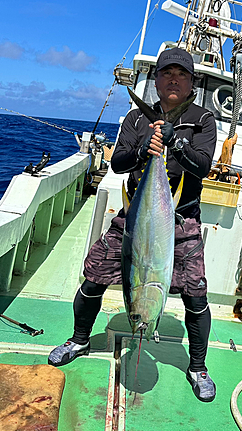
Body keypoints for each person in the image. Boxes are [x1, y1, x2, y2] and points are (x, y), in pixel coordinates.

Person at [48, 47, 217, 403]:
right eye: (167, 73)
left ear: (191, 85)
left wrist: (175, 143)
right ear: (156, 80)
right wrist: (144, 150)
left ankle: (198, 367)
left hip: (181, 217)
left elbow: (201, 166)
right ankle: (78, 339)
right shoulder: (136, 119)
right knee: (94, 274)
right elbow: (118, 164)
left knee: (196, 293)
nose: (173, 79)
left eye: (181, 75)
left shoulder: (203, 119)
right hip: (136, 215)